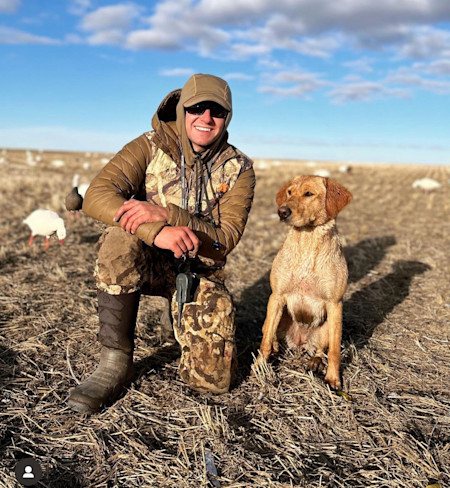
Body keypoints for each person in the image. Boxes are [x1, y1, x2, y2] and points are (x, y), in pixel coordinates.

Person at [67, 73, 256, 414]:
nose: (206, 118)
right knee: (119, 237)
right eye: (197, 108)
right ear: (182, 110)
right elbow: (97, 196)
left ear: (227, 118)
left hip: (196, 270)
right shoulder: (149, 145)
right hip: (146, 258)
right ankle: (115, 361)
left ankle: (180, 316)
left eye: (217, 111)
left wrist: (169, 214)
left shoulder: (238, 167)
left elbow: (225, 240)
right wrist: (156, 231)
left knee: (212, 382)